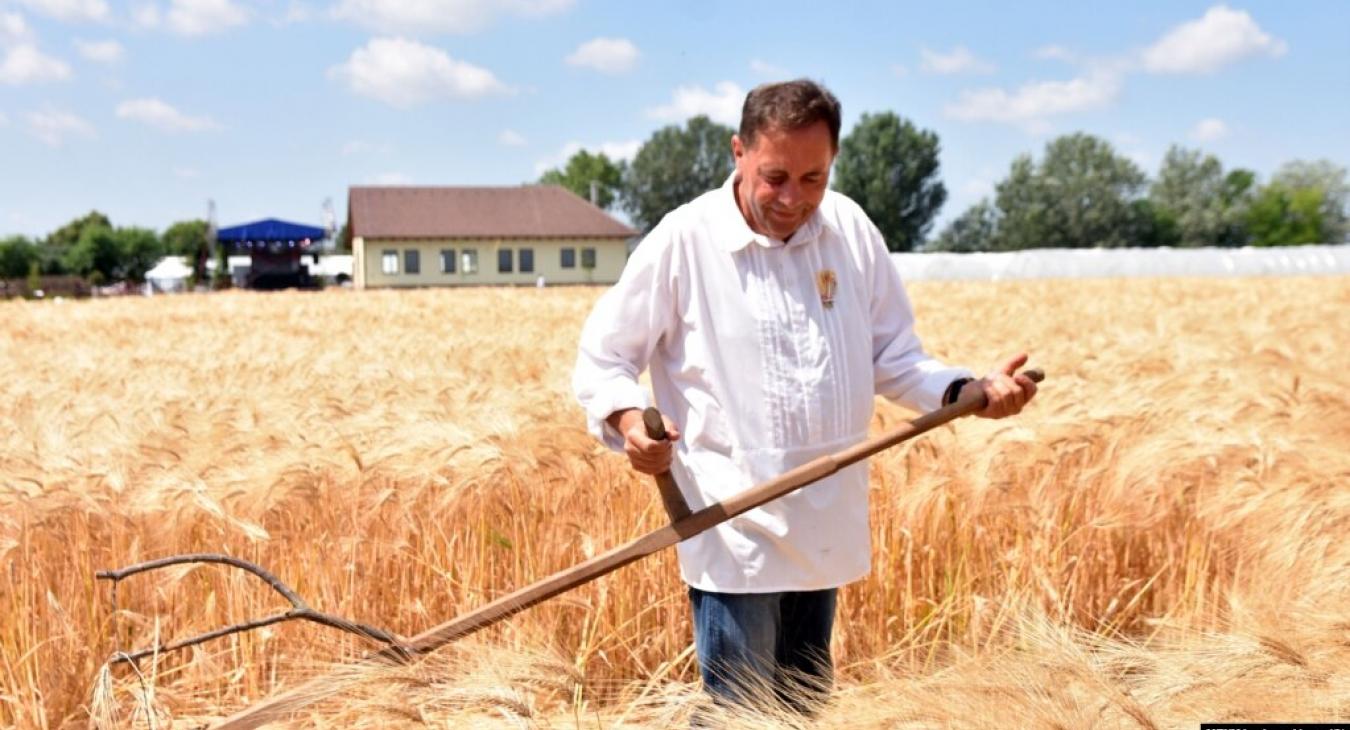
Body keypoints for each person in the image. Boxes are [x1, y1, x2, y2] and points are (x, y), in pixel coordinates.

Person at [572, 79, 1038, 716]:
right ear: (738, 152)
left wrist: (967, 391)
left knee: (806, 713)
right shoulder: (683, 242)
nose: (794, 198)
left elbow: (893, 357)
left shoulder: (848, 230)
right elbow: (604, 358)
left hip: (825, 519)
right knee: (740, 715)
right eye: (775, 176)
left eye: (813, 178)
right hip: (732, 523)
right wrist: (631, 423)